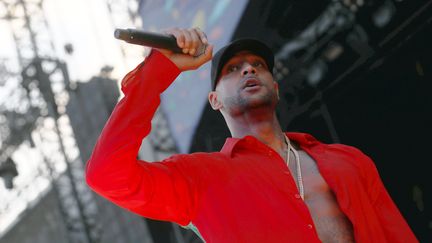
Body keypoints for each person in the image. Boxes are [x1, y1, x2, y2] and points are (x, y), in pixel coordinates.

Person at [85, 27, 418, 243]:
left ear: (275, 85)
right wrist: (160, 70)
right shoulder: (200, 179)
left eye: (258, 65)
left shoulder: (349, 160)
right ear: (214, 101)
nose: (248, 69)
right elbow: (107, 175)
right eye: (232, 69)